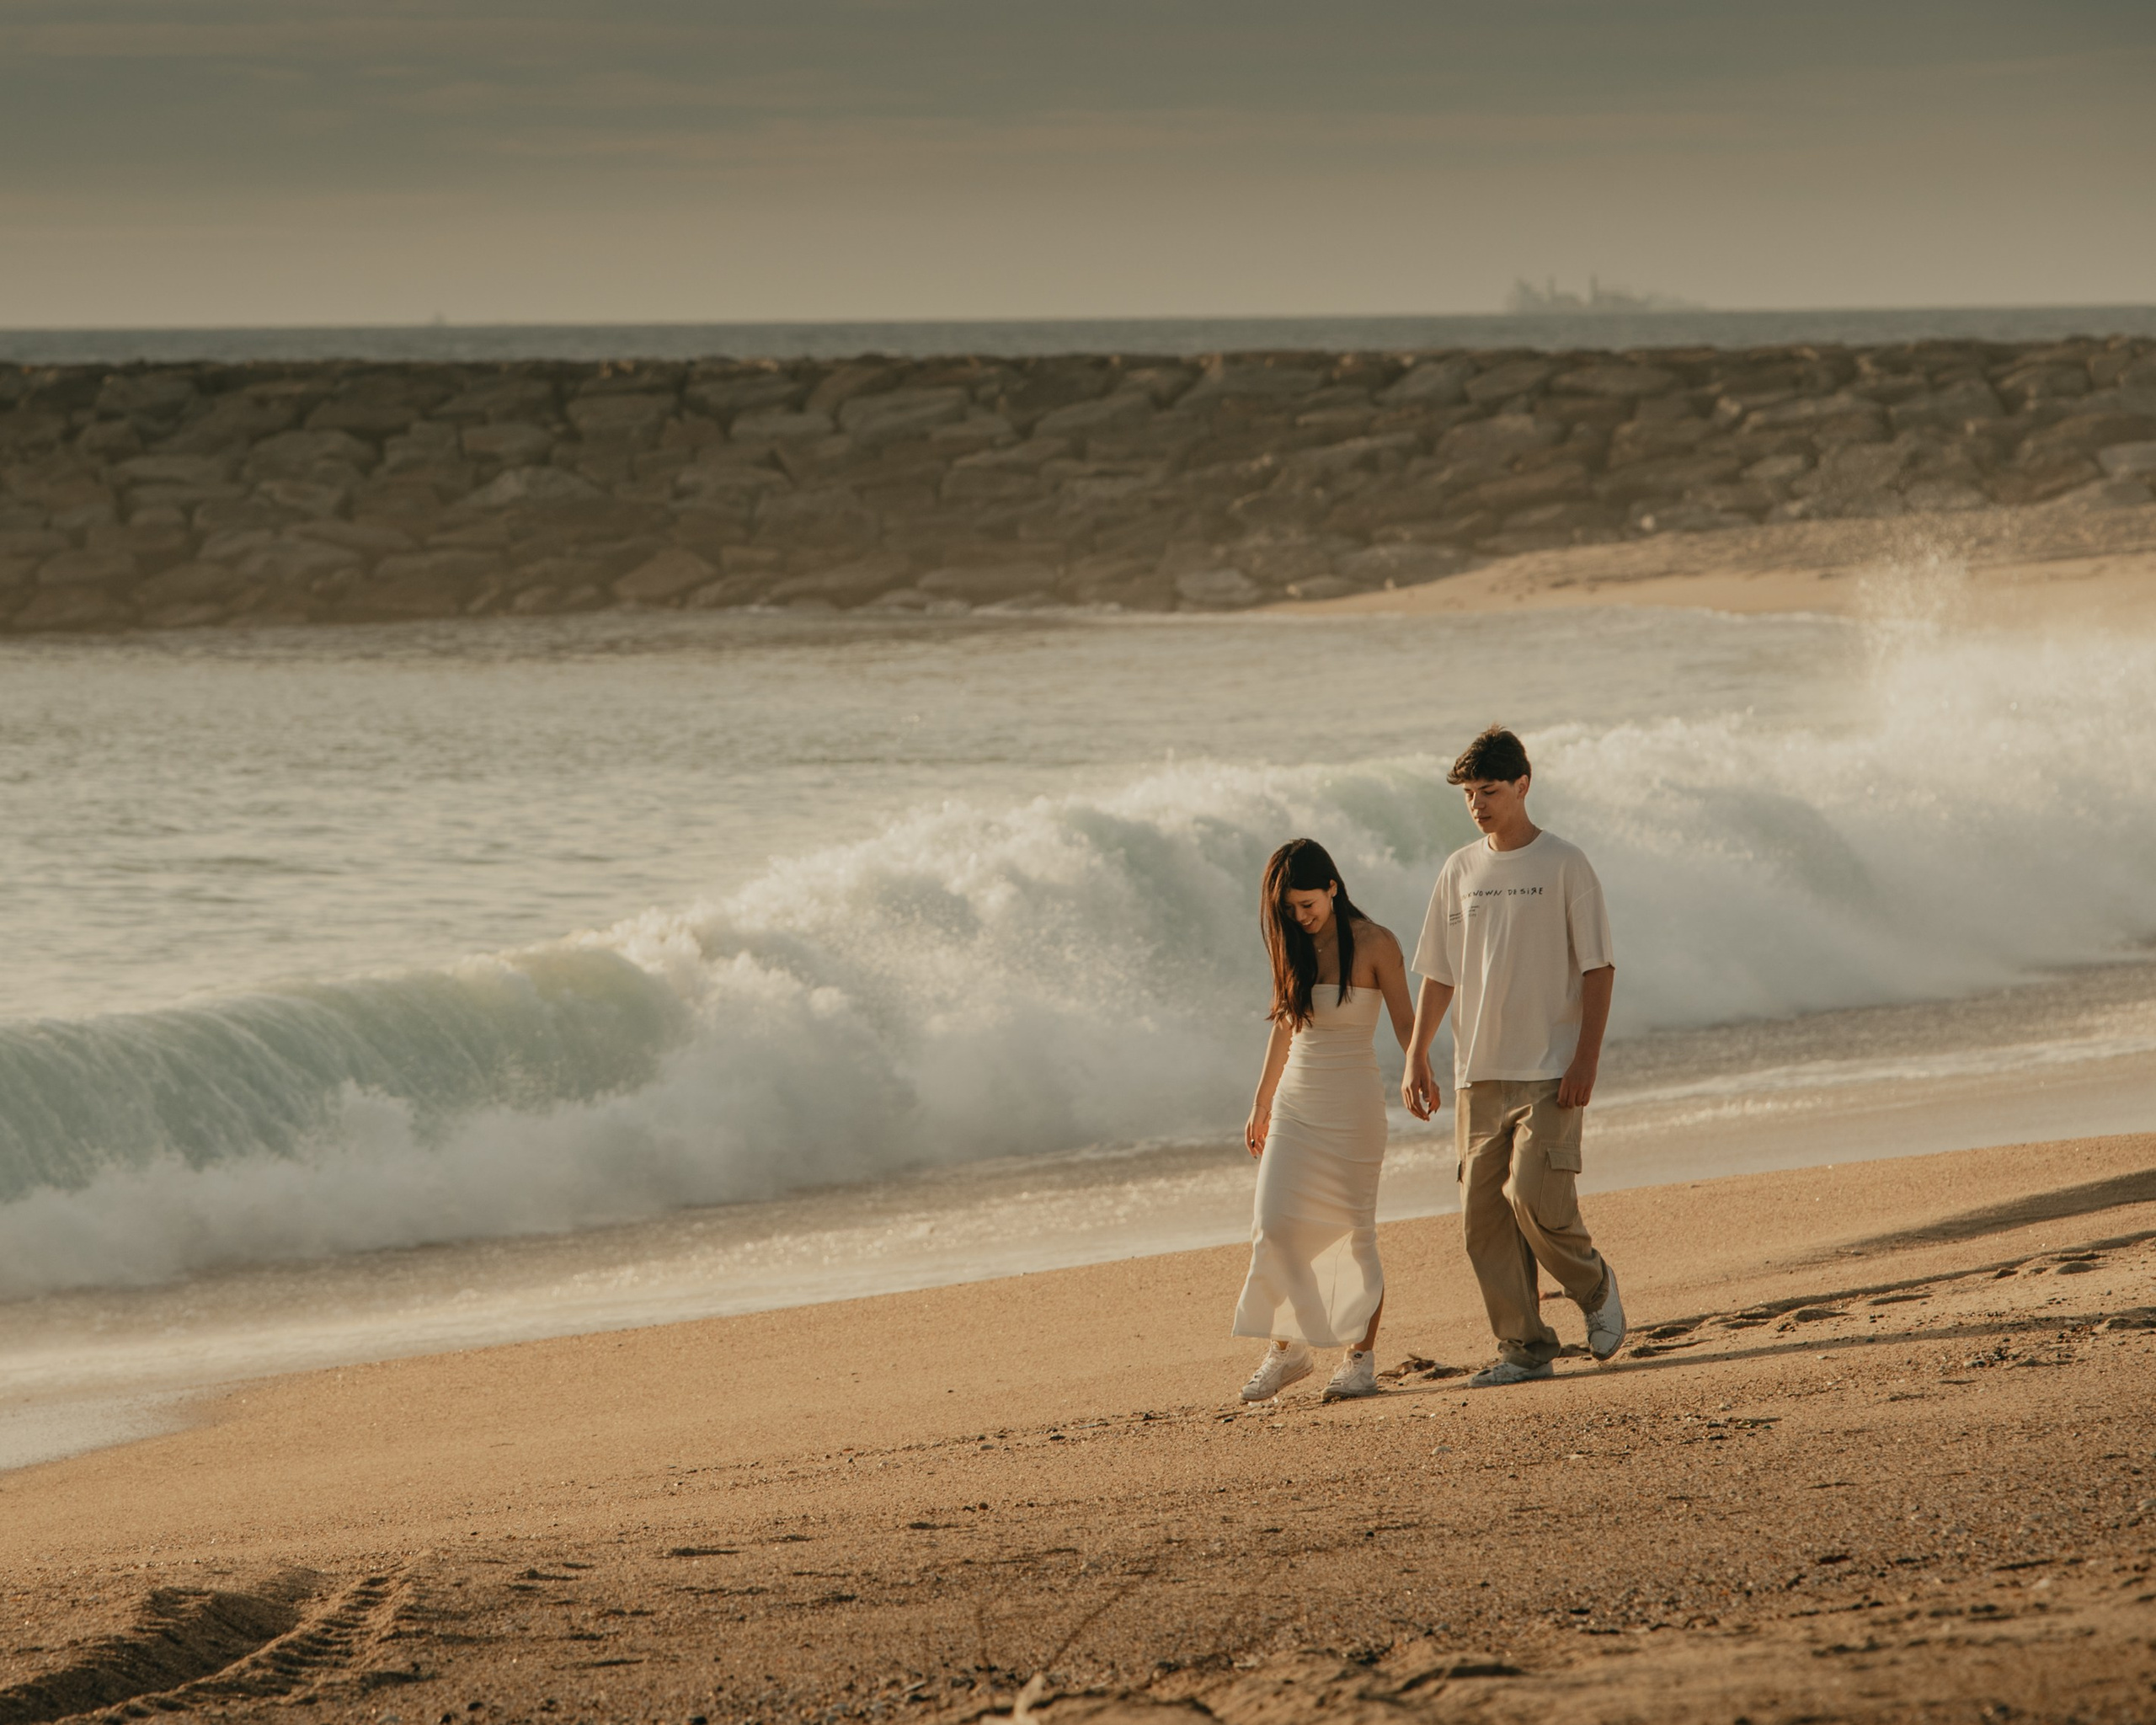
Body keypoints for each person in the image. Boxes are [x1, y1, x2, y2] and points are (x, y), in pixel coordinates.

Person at [1401, 725, 1627, 1386]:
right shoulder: (1459, 869)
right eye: (1469, 794)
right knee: (1483, 1221)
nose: (1477, 804)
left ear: (1523, 786)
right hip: (1478, 1071)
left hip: (1551, 1067)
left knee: (1535, 1197)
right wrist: (1418, 1053)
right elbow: (1439, 973)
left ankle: (1594, 1288)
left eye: (1489, 790)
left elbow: (1599, 969)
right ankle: (1525, 1349)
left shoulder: (1565, 865)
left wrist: (1586, 1059)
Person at [1231, 838, 1417, 1402]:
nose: (1300, 918)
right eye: (1289, 910)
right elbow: (1284, 1026)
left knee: (1354, 1233)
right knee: (1276, 1226)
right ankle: (1290, 1352)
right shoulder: (1295, 944)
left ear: (1333, 887)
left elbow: (1408, 1024)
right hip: (1296, 1103)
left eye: (1307, 905)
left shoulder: (1376, 943)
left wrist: (1419, 1072)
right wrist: (1261, 1103)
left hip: (1353, 1105)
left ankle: (1359, 1361)